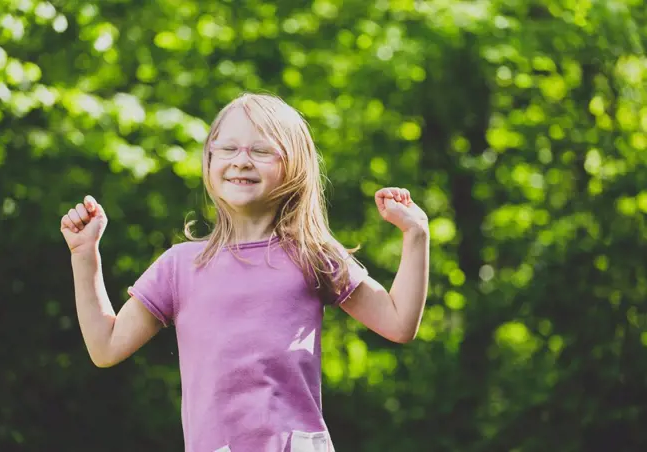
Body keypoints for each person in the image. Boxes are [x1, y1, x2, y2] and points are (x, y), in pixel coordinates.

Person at [60, 93, 430, 452]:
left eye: (261, 150)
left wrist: (415, 235)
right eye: (228, 148)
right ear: (208, 160)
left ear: (295, 165)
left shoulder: (312, 254)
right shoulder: (180, 265)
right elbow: (105, 347)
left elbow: (398, 323)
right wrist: (84, 256)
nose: (241, 161)